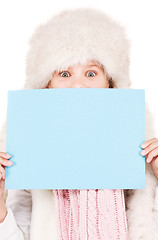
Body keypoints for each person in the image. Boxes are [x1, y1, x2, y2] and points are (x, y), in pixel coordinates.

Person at [0, 7, 158, 240]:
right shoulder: (25, 152)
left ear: (109, 84)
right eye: (64, 74)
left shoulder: (136, 146)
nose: (78, 86)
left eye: (91, 73)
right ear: (47, 85)